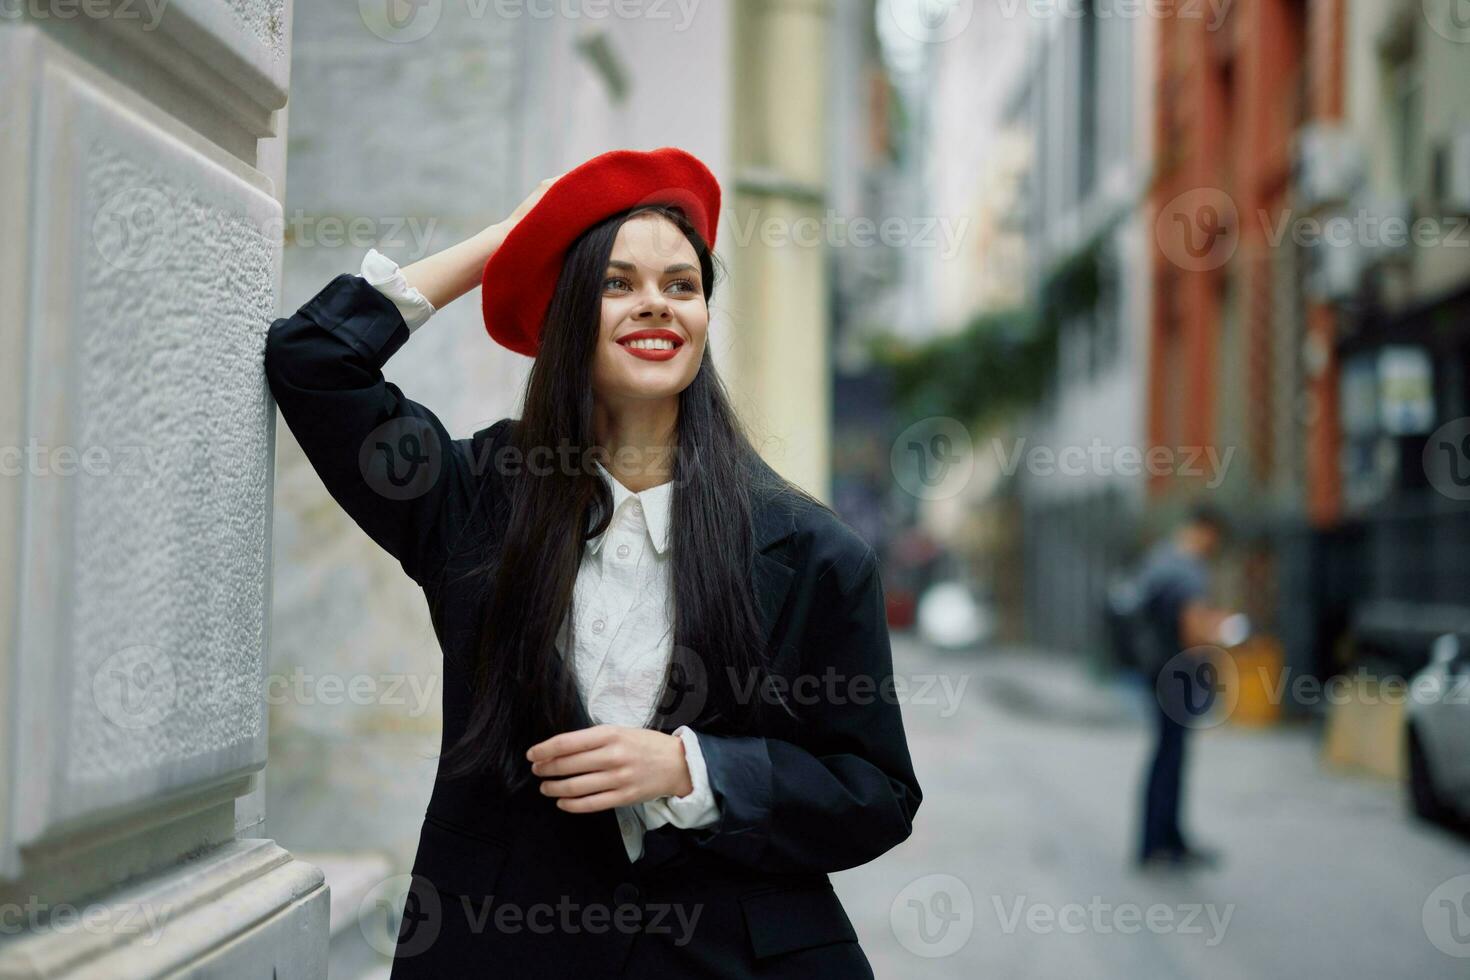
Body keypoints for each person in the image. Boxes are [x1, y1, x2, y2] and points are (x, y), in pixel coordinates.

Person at [263, 147, 921, 978]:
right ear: (568, 315)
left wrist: (697, 770)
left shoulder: (815, 551)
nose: (657, 305)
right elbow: (314, 363)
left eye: (682, 285)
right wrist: (510, 239)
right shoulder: (474, 502)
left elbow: (877, 795)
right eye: (618, 283)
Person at [1132, 501, 1239, 871]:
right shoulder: (1188, 570)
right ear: (1207, 531)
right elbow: (1192, 630)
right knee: (1171, 756)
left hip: (1154, 670)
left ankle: (1161, 840)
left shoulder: (1160, 559)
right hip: (1176, 674)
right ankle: (1162, 844)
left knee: (1165, 754)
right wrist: (1219, 636)